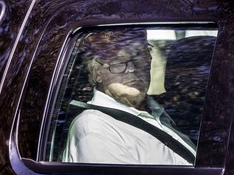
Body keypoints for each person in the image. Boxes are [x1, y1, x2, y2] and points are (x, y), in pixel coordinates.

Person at [61, 27, 196, 165]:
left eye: (140, 57)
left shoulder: (160, 111)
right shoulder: (95, 128)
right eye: (117, 62)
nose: (132, 69)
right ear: (97, 73)